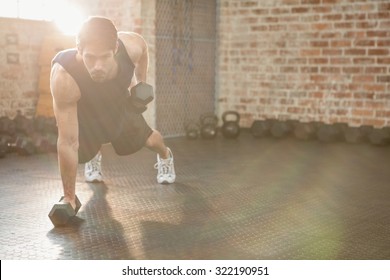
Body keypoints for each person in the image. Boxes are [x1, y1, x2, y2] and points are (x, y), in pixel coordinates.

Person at [50, 16, 175, 210]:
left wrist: (140, 82)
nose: (97, 66)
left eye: (104, 57)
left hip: (119, 104)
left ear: (115, 49)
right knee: (78, 148)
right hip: (87, 112)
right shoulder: (64, 77)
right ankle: (93, 159)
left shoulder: (130, 46)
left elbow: (143, 49)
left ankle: (166, 156)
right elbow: (67, 142)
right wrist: (69, 198)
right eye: (90, 58)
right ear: (79, 50)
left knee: (150, 140)